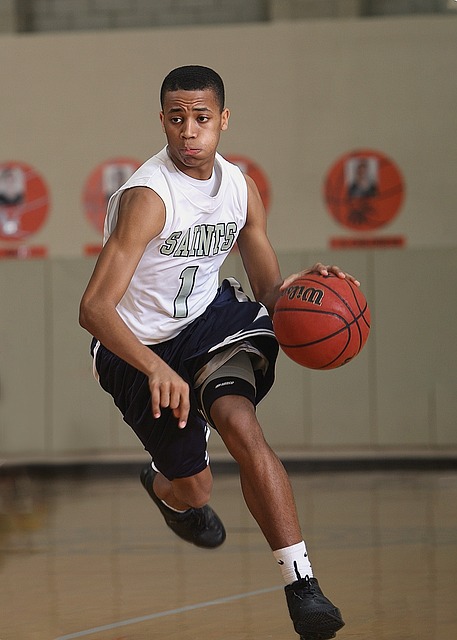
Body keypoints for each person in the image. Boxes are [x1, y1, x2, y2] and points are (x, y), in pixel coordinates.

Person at [79, 65, 359, 640]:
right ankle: (166, 489)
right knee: (195, 488)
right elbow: (95, 309)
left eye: (201, 118)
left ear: (223, 121)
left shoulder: (240, 189)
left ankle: (301, 585)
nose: (189, 131)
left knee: (241, 425)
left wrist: (308, 292)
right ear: (162, 120)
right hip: (135, 345)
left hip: (208, 322)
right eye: (177, 118)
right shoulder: (147, 199)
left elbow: (269, 292)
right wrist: (155, 367)